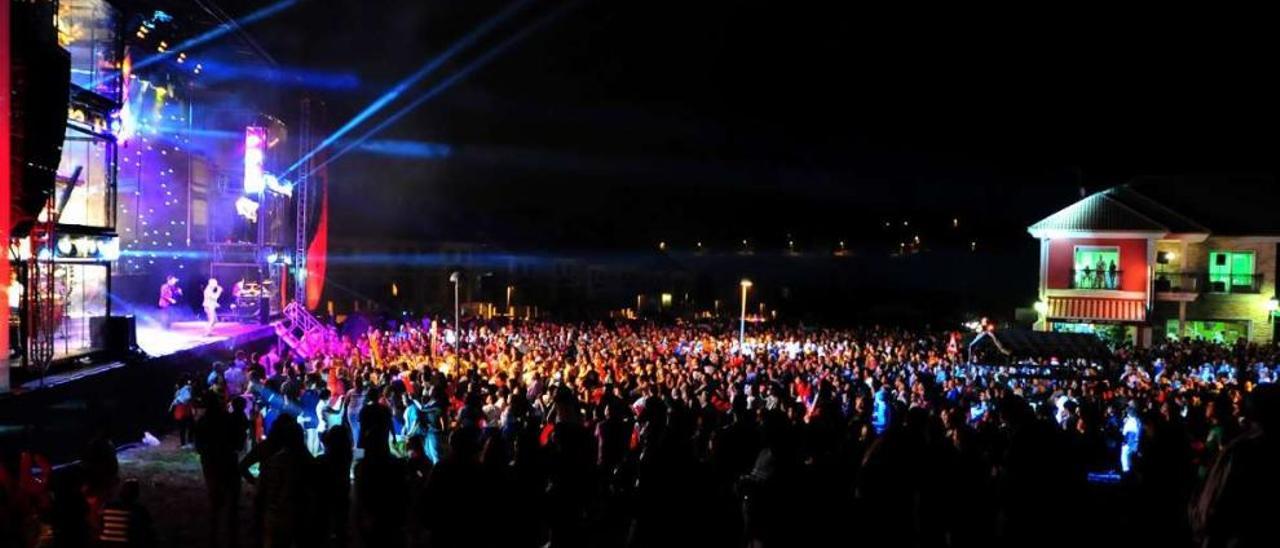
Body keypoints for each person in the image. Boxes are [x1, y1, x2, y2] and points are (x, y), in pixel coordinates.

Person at [97, 479, 156, 547]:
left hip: (104, 544)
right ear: (136, 494)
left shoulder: (107, 506)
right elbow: (148, 529)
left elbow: (100, 524)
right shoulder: (139, 510)